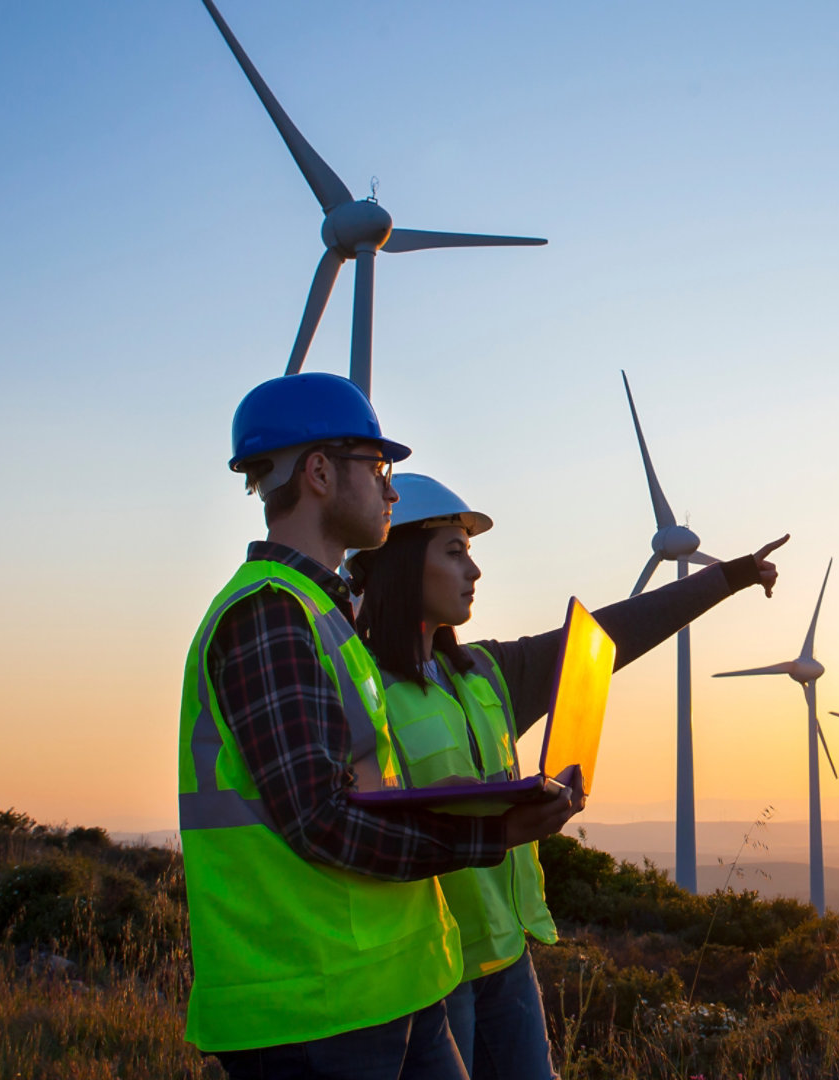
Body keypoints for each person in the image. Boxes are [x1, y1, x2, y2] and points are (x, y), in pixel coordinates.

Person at [177, 374, 586, 1080]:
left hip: (390, 983)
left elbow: (358, 789)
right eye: (379, 468)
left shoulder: (320, 611)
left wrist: (478, 801)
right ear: (319, 473)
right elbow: (319, 820)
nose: (392, 490)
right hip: (317, 1005)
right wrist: (489, 833)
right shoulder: (270, 614)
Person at [346, 473, 786, 1080]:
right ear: (396, 564)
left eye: (471, 554)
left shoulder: (489, 672)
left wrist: (725, 577)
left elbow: (606, 639)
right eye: (454, 552)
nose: (474, 572)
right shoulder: (357, 689)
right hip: (427, 968)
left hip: (506, 958)